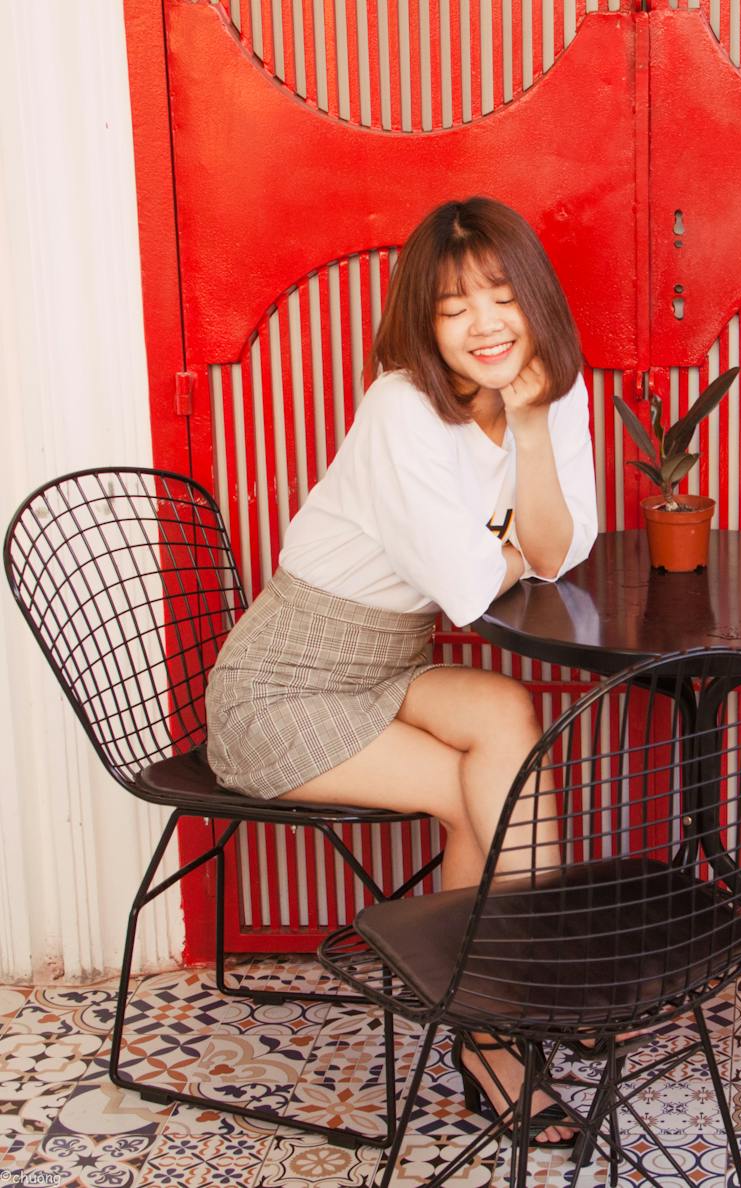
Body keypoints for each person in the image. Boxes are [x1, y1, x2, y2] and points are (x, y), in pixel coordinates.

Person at [204, 196, 596, 1144]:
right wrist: (507, 550)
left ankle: (505, 1003)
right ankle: (496, 1031)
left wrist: (530, 430)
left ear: (535, 299)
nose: (484, 325)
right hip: (281, 685)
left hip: (384, 666)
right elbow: (467, 586)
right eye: (454, 307)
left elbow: (558, 554)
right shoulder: (401, 406)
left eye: (501, 296)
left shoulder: (551, 391)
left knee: (509, 714)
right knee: (482, 799)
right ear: (424, 321)